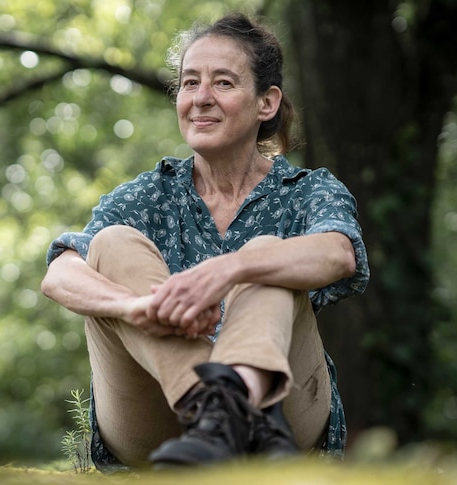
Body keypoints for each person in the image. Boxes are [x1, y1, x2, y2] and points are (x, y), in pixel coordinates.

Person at [41, 13, 369, 469]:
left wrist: (231, 268)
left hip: (281, 421)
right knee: (112, 242)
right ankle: (214, 409)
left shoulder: (308, 191)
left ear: (266, 103)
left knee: (264, 256)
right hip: (165, 422)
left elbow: (339, 253)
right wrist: (133, 309)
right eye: (190, 83)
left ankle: (239, 408)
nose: (201, 99)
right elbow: (59, 274)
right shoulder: (149, 194)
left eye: (224, 84)